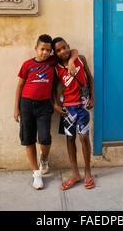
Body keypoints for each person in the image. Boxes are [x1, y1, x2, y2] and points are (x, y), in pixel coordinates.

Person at [14, 34, 78, 190]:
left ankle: (44, 158)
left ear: (51, 52)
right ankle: (36, 173)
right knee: (28, 139)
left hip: (44, 105)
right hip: (26, 104)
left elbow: (75, 51)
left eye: (48, 50)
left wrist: (70, 62)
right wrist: (16, 108)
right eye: (42, 49)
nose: (44, 53)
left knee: (45, 139)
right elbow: (20, 86)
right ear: (36, 48)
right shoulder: (27, 65)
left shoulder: (52, 62)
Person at [52, 37, 95, 190]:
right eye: (58, 50)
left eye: (64, 47)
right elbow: (55, 87)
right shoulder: (56, 68)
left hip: (82, 105)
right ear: (55, 53)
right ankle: (75, 173)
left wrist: (93, 96)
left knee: (84, 137)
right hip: (68, 108)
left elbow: (90, 78)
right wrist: (56, 105)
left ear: (68, 46)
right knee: (70, 139)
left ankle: (88, 172)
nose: (62, 51)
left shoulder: (80, 59)